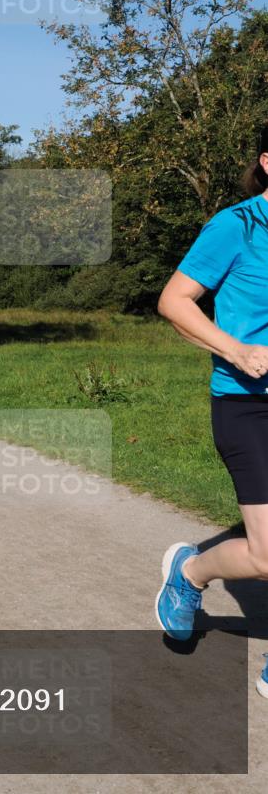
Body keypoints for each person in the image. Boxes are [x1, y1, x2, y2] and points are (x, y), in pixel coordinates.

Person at [155, 126, 268, 698]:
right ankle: (191, 572)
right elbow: (173, 301)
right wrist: (236, 348)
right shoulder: (237, 225)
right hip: (248, 405)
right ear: (267, 161)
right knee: (267, 555)